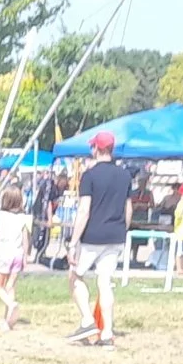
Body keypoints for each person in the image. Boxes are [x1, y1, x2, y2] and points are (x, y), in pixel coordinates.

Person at [66, 131, 130, 348]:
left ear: (97, 149)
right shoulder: (125, 176)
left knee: (76, 276)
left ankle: (87, 320)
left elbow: (84, 210)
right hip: (116, 234)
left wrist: (73, 241)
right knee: (105, 282)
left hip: (93, 235)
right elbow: (128, 208)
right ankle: (108, 333)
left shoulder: (90, 176)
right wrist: (122, 229)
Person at [0, 184, 32, 329]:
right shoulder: (23, 218)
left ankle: (10, 304)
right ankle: (8, 321)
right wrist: (26, 256)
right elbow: (26, 240)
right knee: (10, 286)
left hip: (4, 253)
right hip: (18, 254)